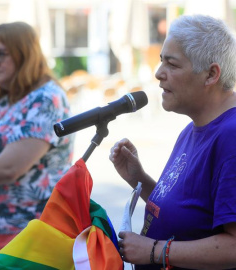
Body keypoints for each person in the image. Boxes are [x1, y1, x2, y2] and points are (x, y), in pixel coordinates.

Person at [110, 14, 236, 270]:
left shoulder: (231, 136)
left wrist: (156, 251)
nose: (158, 73)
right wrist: (140, 180)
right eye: (160, 61)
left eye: (172, 64)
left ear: (211, 74)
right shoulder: (193, 128)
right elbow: (191, 215)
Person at [0, 21, 74, 255]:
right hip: (2, 230)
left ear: (24, 55)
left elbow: (8, 167)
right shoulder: (2, 98)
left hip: (37, 233)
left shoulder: (46, 98)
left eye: (0, 54)